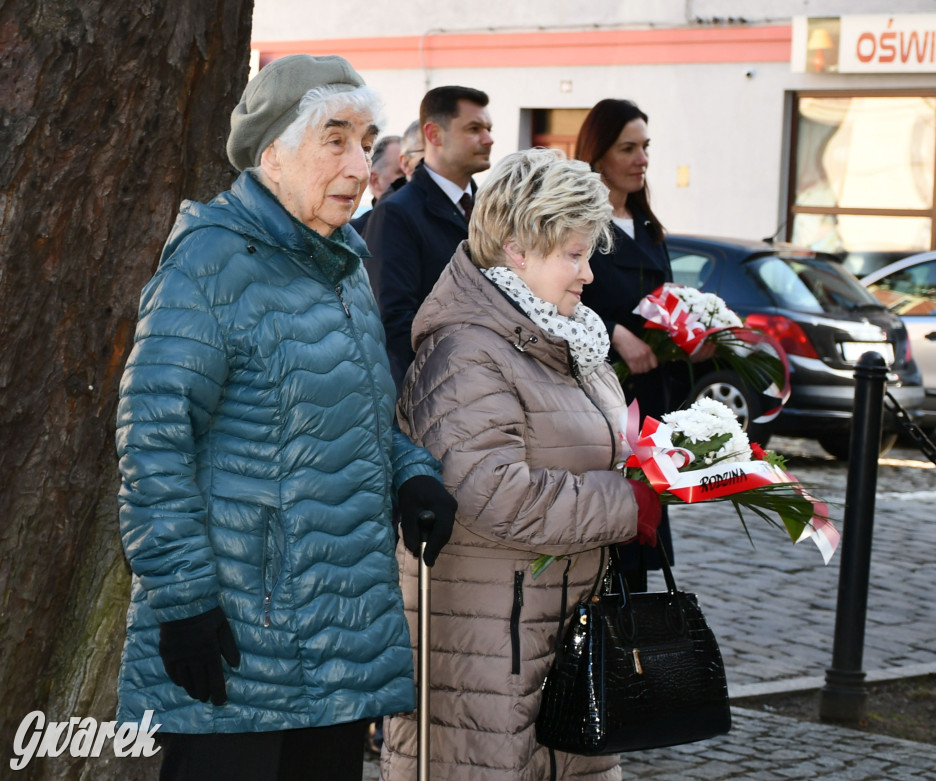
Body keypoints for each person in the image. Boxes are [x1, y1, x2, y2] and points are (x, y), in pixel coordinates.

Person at [114, 53, 458, 781]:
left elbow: (360, 413)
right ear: (272, 151)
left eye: (368, 142)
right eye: (334, 138)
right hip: (240, 640)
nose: (360, 163)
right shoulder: (210, 264)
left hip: (342, 631)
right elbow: (153, 441)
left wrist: (412, 475)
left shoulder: (341, 263)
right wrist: (182, 603)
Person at [379, 148, 663, 780]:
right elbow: (488, 494)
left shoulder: (570, 339)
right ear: (516, 247)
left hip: (560, 641)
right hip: (486, 653)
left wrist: (664, 468)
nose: (588, 274)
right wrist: (628, 503)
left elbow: (599, 446)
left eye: (589, 254)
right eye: (574, 254)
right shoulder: (465, 351)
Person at [575, 98, 683, 592]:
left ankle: (635, 660)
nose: (641, 159)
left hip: (650, 400)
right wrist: (614, 330)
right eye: (628, 148)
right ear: (598, 156)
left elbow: (666, 304)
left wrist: (690, 339)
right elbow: (556, 299)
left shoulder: (649, 228)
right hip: (596, 404)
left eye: (646, 147)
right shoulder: (578, 223)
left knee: (640, 556)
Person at [362, 85, 493, 388]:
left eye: (488, 128)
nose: (488, 138)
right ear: (434, 135)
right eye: (474, 128)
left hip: (490, 388)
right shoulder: (396, 213)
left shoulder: (491, 210)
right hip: (433, 394)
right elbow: (394, 323)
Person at [349, 134, 402, 234]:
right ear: (375, 180)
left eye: (415, 171)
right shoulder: (351, 237)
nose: (412, 178)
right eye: (402, 173)